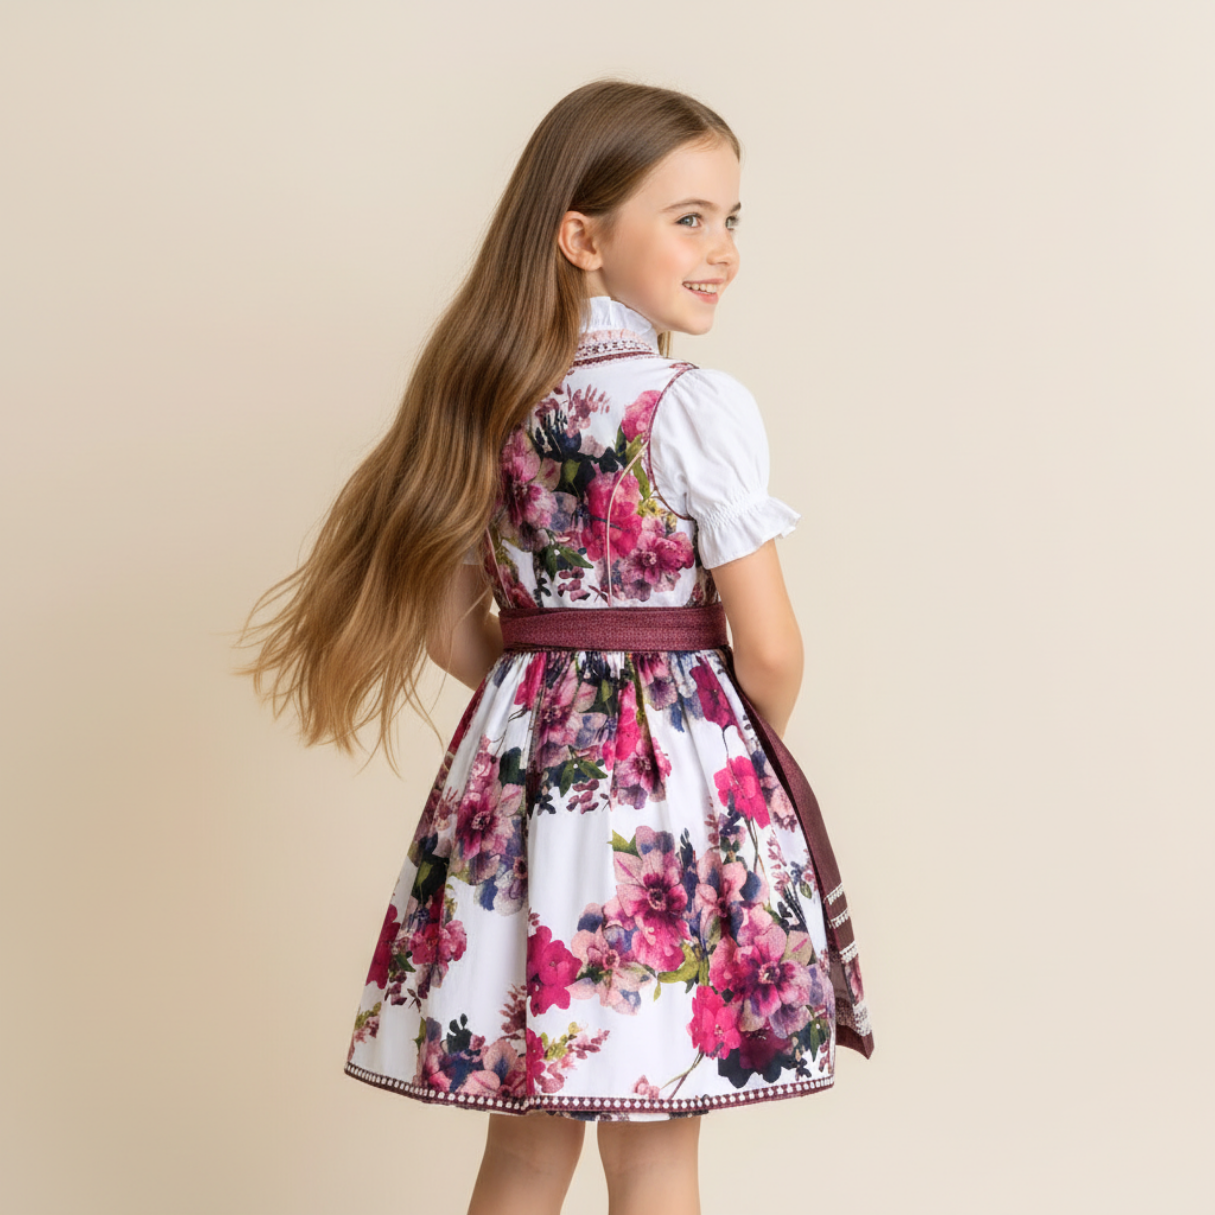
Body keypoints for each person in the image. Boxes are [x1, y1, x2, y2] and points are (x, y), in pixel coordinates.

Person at [242, 79, 872, 1215]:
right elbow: (772, 648)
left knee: (526, 1148)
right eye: (689, 218)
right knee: (654, 1153)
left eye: (731, 219)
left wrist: (545, 699)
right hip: (663, 817)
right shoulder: (688, 405)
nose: (722, 249)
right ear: (582, 238)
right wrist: (723, 771)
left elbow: (448, 624)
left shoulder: (485, 401)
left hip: (523, 796)